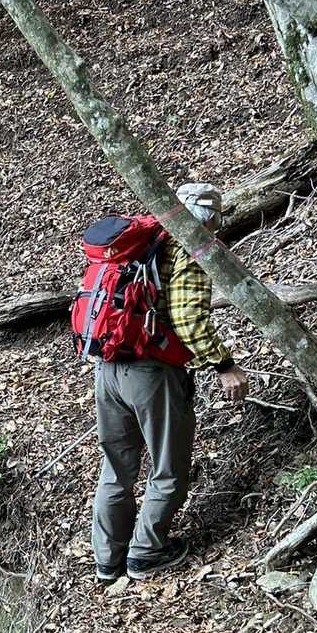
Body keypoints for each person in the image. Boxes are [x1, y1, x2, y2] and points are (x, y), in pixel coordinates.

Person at [92, 182, 250, 585]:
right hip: (152, 373)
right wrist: (225, 365)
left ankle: (107, 561)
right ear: (209, 218)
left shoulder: (138, 245)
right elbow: (189, 320)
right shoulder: (189, 248)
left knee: (116, 467)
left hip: (107, 368)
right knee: (168, 468)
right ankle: (146, 554)